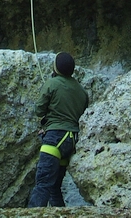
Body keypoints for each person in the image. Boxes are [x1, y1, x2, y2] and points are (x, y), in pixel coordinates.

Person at [27, 52, 89, 208]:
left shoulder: (51, 84)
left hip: (54, 139)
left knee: (42, 184)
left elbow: (39, 110)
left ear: (55, 67)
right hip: (71, 141)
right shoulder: (82, 91)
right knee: (54, 188)